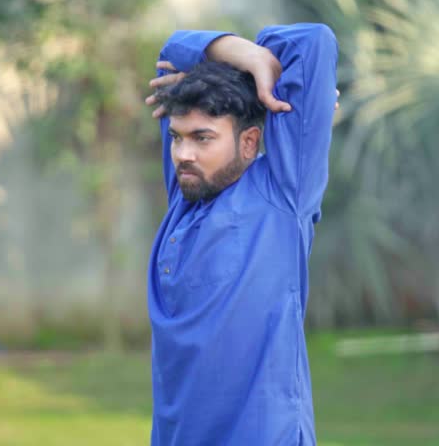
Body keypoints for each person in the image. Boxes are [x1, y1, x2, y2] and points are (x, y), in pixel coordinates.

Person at [144, 23, 338, 445]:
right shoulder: (185, 194)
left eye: (202, 138)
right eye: (176, 137)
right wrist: (223, 60)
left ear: (250, 142)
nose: (182, 153)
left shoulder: (283, 197)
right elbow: (171, 53)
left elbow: (311, 42)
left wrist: (255, 64)